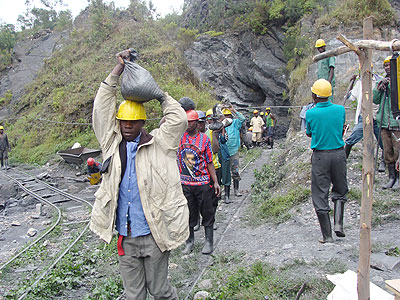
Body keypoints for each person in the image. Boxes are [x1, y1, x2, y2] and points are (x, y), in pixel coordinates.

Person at [90, 49, 189, 300]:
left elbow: (178, 120)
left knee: (160, 291)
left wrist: (160, 95)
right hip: (127, 236)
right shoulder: (111, 144)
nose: (127, 125)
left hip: (155, 233)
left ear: (143, 123)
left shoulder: (161, 143)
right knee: (134, 295)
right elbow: (101, 109)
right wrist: (117, 71)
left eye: (132, 122)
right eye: (123, 121)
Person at [306, 79, 348, 243]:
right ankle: (339, 224)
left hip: (321, 156)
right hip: (339, 154)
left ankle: (327, 236)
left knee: (320, 193)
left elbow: (309, 133)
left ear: (315, 95)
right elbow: (340, 128)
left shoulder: (311, 113)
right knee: (340, 188)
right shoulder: (340, 109)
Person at [178, 109, 221, 255]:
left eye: (191, 121)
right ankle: (189, 242)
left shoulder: (204, 139)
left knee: (207, 213)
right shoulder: (179, 137)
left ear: (197, 123)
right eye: (186, 121)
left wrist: (215, 182)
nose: (188, 124)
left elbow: (209, 162)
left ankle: (209, 242)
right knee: (188, 214)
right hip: (186, 184)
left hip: (202, 183)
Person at [344, 67, 385, 171]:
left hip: (377, 116)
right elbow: (350, 97)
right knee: (351, 139)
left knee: (384, 143)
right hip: (364, 116)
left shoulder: (379, 80)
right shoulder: (359, 83)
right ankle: (343, 160)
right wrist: (352, 84)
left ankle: (384, 162)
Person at [373, 56, 400, 189]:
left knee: (398, 151)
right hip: (384, 122)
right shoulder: (382, 82)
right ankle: (391, 177)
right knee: (388, 151)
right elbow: (375, 100)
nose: (387, 68)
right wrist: (379, 88)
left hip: (396, 123)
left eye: (389, 65)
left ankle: (398, 179)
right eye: (385, 66)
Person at [222, 106, 245, 197]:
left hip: (234, 151)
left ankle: (236, 190)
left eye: (228, 115)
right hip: (224, 152)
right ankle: (226, 191)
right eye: (225, 115)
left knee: (235, 171)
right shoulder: (222, 125)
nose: (227, 117)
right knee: (225, 172)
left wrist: (233, 110)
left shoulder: (235, 123)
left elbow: (242, 118)